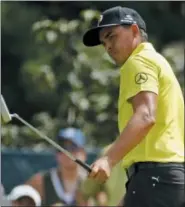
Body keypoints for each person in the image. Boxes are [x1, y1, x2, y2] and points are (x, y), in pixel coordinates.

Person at [82, 6, 184, 207]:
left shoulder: (137, 61)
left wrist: (108, 160)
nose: (108, 47)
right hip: (168, 179)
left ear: (135, 31)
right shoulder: (158, 61)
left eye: (112, 36)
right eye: (104, 42)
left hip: (155, 177)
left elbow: (146, 116)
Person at [26, 127, 87, 206]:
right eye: (61, 148)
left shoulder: (94, 182)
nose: (66, 153)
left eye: (72, 148)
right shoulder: (41, 181)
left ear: (83, 153)